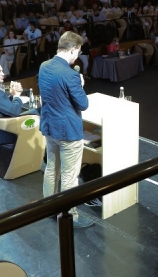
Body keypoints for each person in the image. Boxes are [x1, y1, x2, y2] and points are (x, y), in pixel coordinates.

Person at [38, 31, 93, 229]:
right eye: (78, 52)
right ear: (72, 49)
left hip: (49, 127)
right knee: (70, 176)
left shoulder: (44, 66)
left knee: (52, 168)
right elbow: (83, 104)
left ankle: (49, 208)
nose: (77, 56)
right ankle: (69, 216)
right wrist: (81, 85)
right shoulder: (71, 75)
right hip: (68, 131)